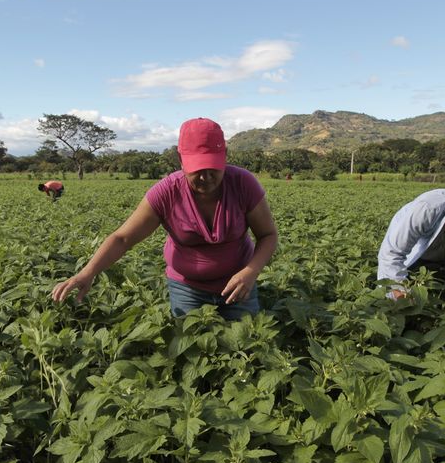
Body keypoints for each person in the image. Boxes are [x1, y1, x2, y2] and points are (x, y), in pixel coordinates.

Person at [51, 117, 278, 320]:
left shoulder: (243, 184)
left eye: (213, 168)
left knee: (244, 347)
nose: (206, 177)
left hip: (238, 286)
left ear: (225, 156)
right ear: (181, 160)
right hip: (187, 289)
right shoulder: (167, 192)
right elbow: (123, 238)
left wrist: (250, 272)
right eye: (197, 169)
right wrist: (88, 272)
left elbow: (267, 235)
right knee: (191, 352)